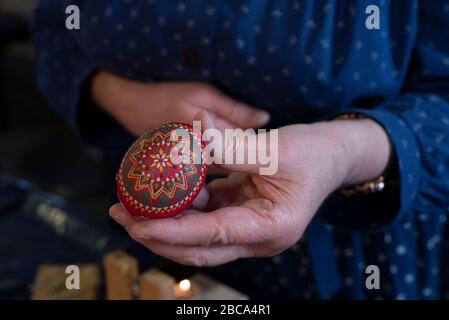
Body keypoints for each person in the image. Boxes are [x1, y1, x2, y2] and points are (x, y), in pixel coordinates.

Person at [33, 0, 449, 299]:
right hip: (155, 247)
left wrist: (347, 152)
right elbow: (57, 25)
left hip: (359, 260)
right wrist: (113, 94)